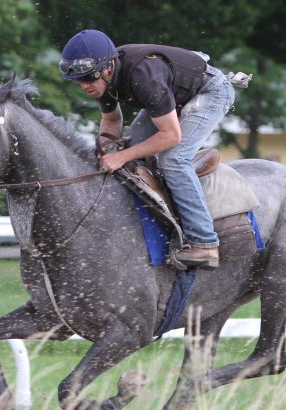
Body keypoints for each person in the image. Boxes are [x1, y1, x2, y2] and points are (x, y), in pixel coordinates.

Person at [59, 29, 237, 269]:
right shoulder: (103, 80)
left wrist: (121, 156)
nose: (84, 86)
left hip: (210, 91)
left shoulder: (144, 76)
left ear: (109, 67)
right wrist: (106, 152)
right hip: (172, 91)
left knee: (172, 159)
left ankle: (205, 243)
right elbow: (112, 121)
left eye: (89, 78)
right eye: (79, 80)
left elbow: (171, 136)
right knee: (130, 150)